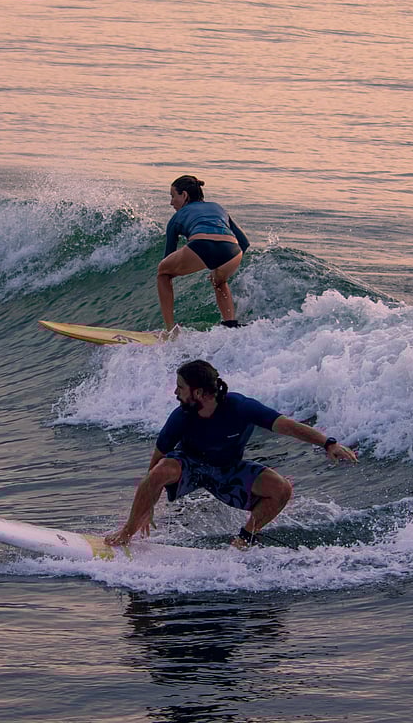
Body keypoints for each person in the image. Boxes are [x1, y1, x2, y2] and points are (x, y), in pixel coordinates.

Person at [105, 360, 358, 550]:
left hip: (228, 471)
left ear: (199, 393)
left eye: (181, 387)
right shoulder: (180, 417)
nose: (176, 393)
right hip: (189, 466)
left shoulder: (241, 408)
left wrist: (328, 443)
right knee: (162, 469)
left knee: (281, 489)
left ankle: (245, 538)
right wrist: (148, 505)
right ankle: (126, 533)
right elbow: (156, 465)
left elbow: (289, 426)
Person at [158, 174, 250, 331]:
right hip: (232, 250)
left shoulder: (177, 217)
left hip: (201, 244)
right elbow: (245, 243)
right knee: (219, 281)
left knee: (163, 273)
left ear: (184, 195)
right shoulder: (218, 207)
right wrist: (221, 267)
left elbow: (168, 257)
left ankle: (170, 329)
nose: (171, 202)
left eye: (173, 196)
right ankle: (230, 324)